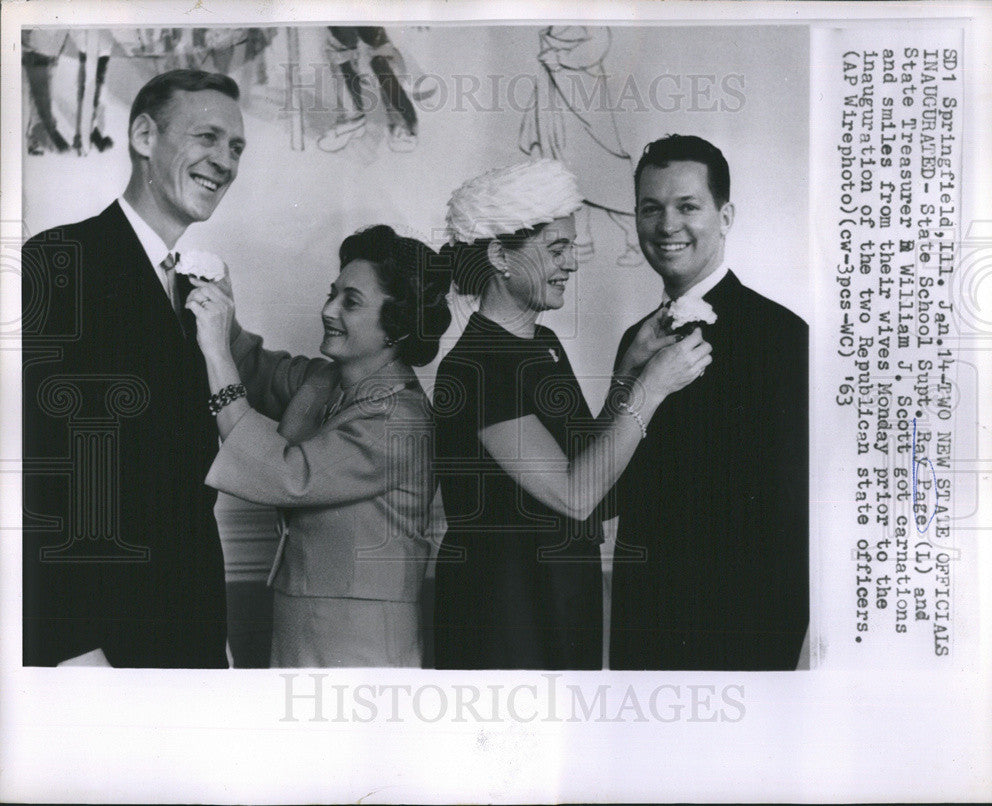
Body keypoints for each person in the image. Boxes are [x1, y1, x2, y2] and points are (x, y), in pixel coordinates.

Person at [432, 159, 711, 669]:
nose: (572, 264)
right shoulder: (475, 367)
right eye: (557, 249)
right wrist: (650, 390)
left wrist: (628, 373)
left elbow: (591, 473)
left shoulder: (543, 344)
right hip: (502, 620)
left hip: (559, 603)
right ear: (500, 256)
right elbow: (575, 495)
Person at [21, 69, 245, 667]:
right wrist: (73, 646)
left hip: (190, 626)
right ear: (144, 135)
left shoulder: (196, 289)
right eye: (207, 138)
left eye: (236, 148)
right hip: (98, 647)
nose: (224, 161)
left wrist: (211, 632)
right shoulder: (58, 262)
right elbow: (40, 471)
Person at [186, 225, 451, 667]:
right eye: (333, 293)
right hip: (299, 616)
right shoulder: (324, 380)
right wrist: (225, 312)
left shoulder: (400, 418)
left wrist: (215, 352)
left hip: (364, 637)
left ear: (398, 325)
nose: (328, 309)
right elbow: (253, 368)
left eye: (351, 301)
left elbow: (287, 475)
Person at [608, 135, 809, 671]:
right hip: (642, 632)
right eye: (651, 208)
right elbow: (614, 493)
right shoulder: (635, 338)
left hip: (739, 642)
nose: (666, 226)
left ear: (725, 216)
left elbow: (793, 524)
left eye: (687, 206)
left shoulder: (783, 337)